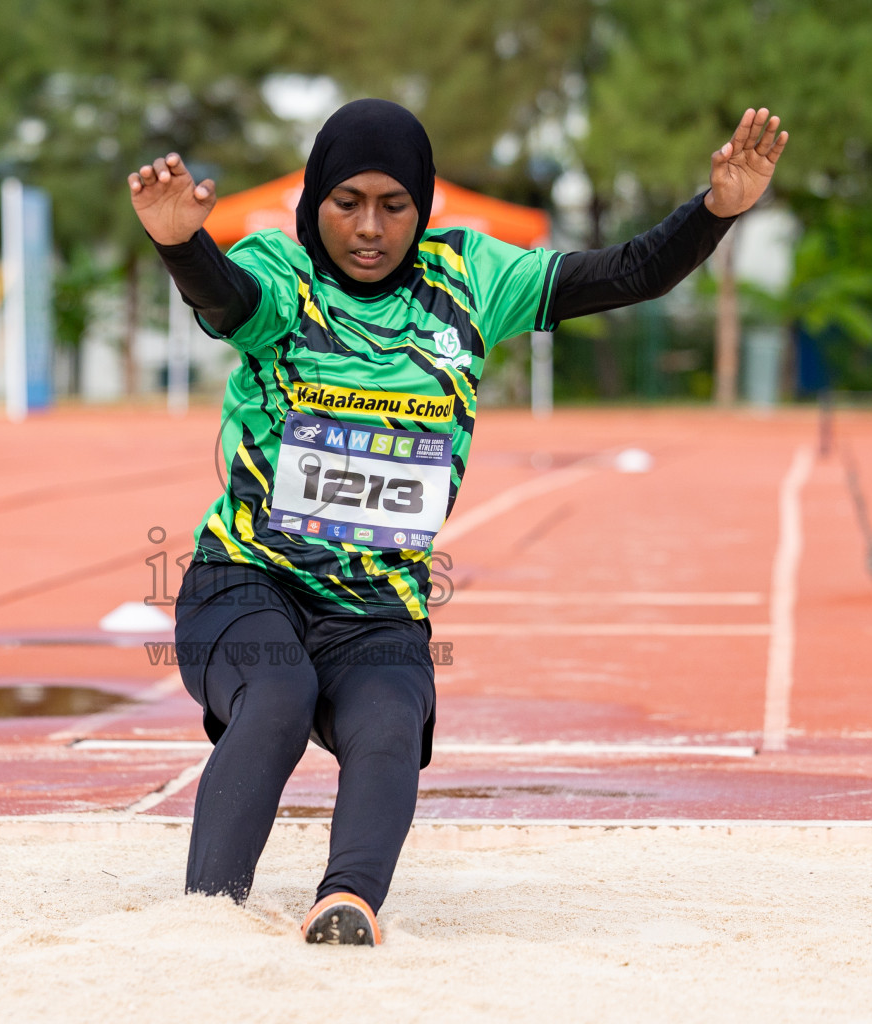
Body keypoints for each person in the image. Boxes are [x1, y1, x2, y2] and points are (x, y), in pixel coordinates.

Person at [129, 100, 787, 945]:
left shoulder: (471, 280)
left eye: (393, 206)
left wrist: (716, 211)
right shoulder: (284, 278)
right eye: (347, 203)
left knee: (391, 724)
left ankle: (347, 903)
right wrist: (181, 244)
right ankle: (205, 918)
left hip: (377, 603)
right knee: (279, 694)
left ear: (423, 205)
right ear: (317, 202)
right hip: (247, 581)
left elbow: (629, 273)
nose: (369, 228)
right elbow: (227, 301)